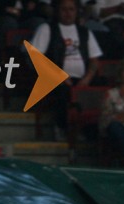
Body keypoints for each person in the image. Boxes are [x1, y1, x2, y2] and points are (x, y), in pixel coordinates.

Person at [30, 0, 102, 140]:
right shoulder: (46, 29)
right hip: (55, 78)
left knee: (99, 88)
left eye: (71, 9)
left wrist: (87, 78)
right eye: (64, 9)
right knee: (63, 91)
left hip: (81, 79)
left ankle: (89, 131)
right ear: (57, 11)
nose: (68, 13)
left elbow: (94, 60)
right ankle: (61, 127)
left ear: (76, 11)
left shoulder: (84, 32)